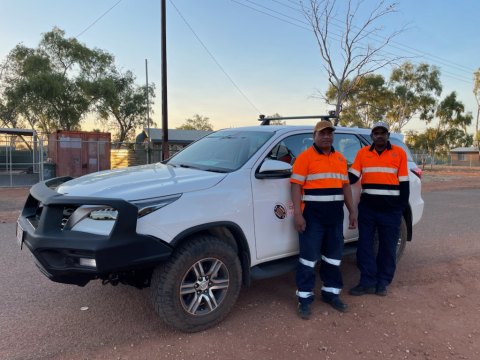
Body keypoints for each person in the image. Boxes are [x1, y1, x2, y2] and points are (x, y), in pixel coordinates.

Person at [290, 120, 356, 319]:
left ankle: (331, 293)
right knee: (308, 260)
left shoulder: (340, 159)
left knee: (334, 258)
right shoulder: (304, 158)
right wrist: (298, 214)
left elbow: (345, 186)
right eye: (322, 133)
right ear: (314, 136)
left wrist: (352, 211)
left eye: (329, 133)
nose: (326, 136)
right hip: (313, 217)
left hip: (335, 217)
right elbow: (295, 186)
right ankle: (304, 299)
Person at [348, 121, 410, 297]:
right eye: (376, 133)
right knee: (364, 247)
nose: (380, 135)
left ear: (388, 135)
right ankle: (366, 281)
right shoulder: (362, 154)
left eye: (383, 132)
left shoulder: (399, 154)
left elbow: (404, 183)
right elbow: (352, 176)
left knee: (388, 248)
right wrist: (334, 178)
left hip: (391, 211)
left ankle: (382, 283)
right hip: (368, 209)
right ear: (372, 136)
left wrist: (400, 209)